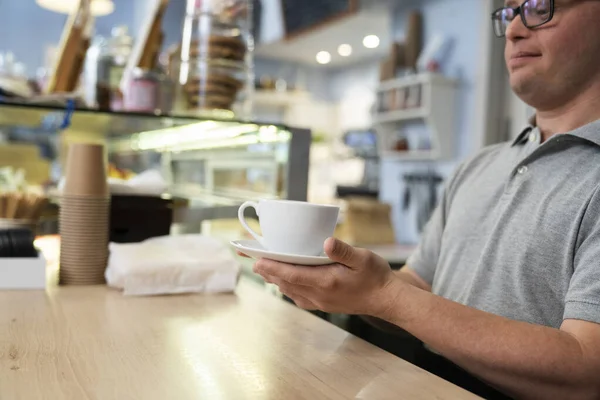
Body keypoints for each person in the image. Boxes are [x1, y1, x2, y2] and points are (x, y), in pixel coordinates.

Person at [242, 0, 600, 398]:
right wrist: (347, 285)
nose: (514, 29)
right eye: (507, 13)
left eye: (538, 7)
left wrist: (385, 295)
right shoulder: (477, 166)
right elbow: (417, 288)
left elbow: (587, 367)